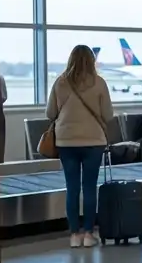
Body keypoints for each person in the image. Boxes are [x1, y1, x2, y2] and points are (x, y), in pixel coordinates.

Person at [46, 45, 113, 248]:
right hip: (93, 141)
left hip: (66, 142)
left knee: (72, 188)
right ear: (92, 60)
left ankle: (74, 235)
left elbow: (50, 113)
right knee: (90, 187)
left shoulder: (60, 82)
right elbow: (108, 115)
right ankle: (88, 234)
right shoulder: (99, 83)